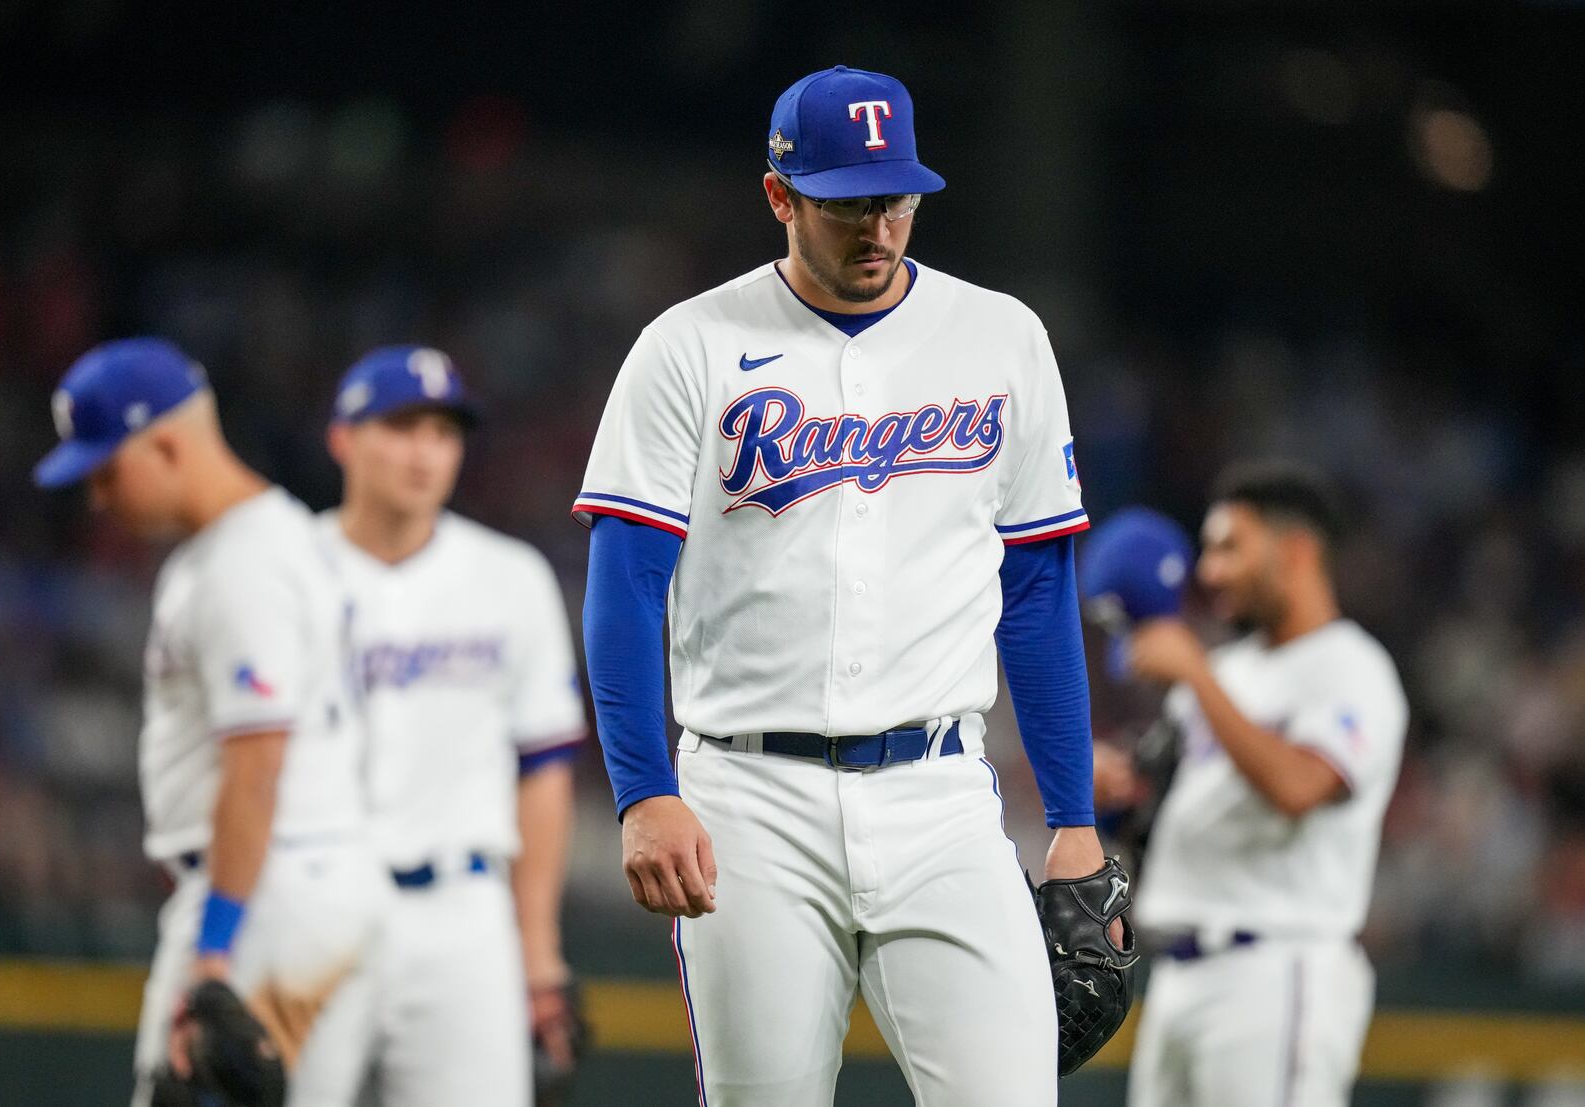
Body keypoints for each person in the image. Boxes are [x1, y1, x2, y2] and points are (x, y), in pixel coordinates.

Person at [575, 65, 1112, 1106]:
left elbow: (1039, 591)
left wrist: (1074, 817)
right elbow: (625, 587)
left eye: (894, 199)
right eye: (846, 203)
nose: (877, 228)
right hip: (749, 793)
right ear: (780, 197)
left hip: (942, 792)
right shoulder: (687, 347)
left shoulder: (1000, 337)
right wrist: (645, 793)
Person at [32, 338, 384, 1106]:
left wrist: (215, 954)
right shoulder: (273, 534)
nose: (97, 495)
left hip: (260, 898)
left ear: (164, 443)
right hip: (301, 879)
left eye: (105, 468)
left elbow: (256, 765)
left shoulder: (241, 564)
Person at [320, 346, 586, 1105]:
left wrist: (540, 955)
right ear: (342, 438)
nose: (424, 452)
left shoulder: (511, 578)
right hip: (316, 903)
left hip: (462, 913)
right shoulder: (289, 571)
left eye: (443, 432)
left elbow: (544, 773)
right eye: (402, 427)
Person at [1118, 462, 1408, 1107]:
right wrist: (1117, 794)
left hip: (1276, 971)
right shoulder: (1227, 670)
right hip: (1179, 973)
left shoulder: (1353, 668)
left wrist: (1196, 677)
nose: (1209, 571)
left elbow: (1301, 787)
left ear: (1297, 551)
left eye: (1230, 547)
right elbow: (1160, 818)